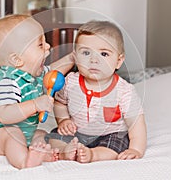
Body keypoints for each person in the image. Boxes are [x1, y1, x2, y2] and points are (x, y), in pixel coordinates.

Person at [0, 14, 74, 169]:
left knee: (42, 135)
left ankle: (47, 154)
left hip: (24, 133)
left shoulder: (34, 74)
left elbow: (53, 71)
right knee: (11, 134)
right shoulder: (9, 81)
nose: (48, 46)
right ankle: (24, 162)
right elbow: (5, 115)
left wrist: (72, 58)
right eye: (40, 44)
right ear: (17, 60)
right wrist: (35, 105)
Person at [45, 20, 147, 163]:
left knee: (117, 145)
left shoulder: (124, 91)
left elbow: (136, 123)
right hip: (77, 132)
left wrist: (136, 149)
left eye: (104, 54)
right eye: (86, 53)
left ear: (118, 61)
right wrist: (64, 120)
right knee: (54, 137)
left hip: (109, 134)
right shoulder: (70, 82)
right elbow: (60, 103)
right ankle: (65, 152)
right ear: (75, 56)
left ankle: (93, 155)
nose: (93, 60)